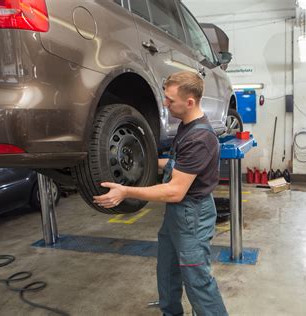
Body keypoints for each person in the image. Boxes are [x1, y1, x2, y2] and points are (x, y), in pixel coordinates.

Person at [93, 71, 228, 316]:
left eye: (170, 100)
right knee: (167, 272)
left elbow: (175, 191)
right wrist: (142, 159)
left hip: (192, 215)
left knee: (198, 282)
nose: (165, 104)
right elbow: (177, 164)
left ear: (190, 102)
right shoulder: (187, 127)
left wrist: (125, 191)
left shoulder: (200, 138)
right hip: (177, 215)